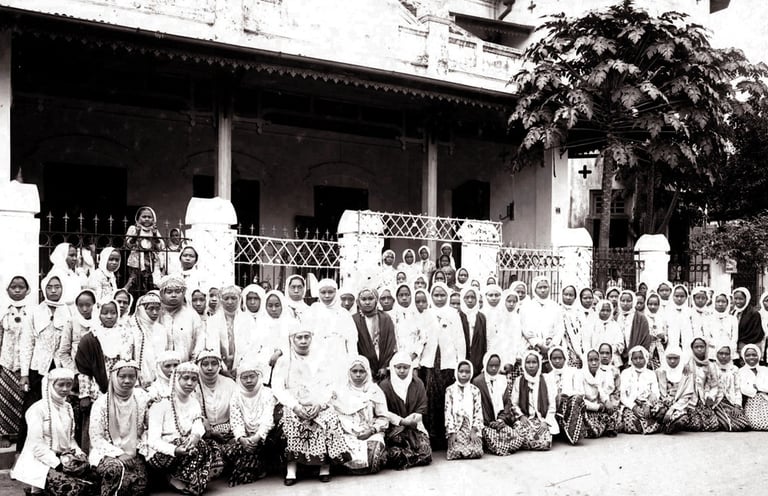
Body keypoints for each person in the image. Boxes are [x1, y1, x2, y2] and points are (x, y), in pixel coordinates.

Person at [271, 327, 351, 485]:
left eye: (306, 337)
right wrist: (295, 406)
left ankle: (324, 467)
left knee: (329, 418)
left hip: (317, 403)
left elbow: (329, 385)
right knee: (289, 422)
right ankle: (291, 469)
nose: (303, 341)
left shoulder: (321, 359)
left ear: (311, 338)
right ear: (292, 339)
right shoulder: (284, 361)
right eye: (299, 337)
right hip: (293, 404)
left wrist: (320, 404)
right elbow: (278, 387)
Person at [11, 368, 97, 495]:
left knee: (94, 481)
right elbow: (36, 446)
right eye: (60, 385)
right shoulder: (37, 410)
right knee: (73, 488)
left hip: (64, 459)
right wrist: (58, 464)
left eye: (68, 384)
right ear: (50, 385)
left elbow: (70, 438)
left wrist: (79, 453)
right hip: (40, 461)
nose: (65, 389)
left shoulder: (67, 407)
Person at [144, 361, 215, 496]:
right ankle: (169, 477)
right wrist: (174, 450)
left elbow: (198, 423)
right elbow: (153, 441)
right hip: (161, 452)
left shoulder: (193, 401)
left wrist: (195, 435)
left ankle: (183, 478)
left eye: (194, 379)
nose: (190, 383)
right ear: (176, 378)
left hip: (186, 447)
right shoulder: (162, 403)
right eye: (185, 378)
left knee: (209, 449)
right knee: (195, 447)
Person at [19, 274, 71, 451]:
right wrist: (25, 374)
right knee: (32, 410)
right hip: (38, 369)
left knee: (59, 410)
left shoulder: (68, 311)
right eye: (50, 287)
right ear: (44, 289)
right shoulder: (34, 311)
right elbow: (27, 343)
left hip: (61, 369)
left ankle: (56, 451)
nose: (54, 290)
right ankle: (23, 452)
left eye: (57, 286)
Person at [88, 360, 148, 496]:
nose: (127, 381)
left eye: (132, 376)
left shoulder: (141, 397)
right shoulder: (101, 403)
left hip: (133, 449)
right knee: (115, 470)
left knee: (138, 487)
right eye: (122, 376)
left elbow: (149, 425)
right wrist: (118, 453)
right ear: (115, 377)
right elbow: (96, 438)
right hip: (106, 451)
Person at [420, 283, 465, 449]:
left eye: (442, 295)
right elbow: (422, 336)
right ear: (431, 296)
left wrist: (460, 361)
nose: (439, 298)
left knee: (446, 397)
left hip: (448, 362)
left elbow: (459, 338)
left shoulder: (453, 313)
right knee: (431, 398)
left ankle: (448, 435)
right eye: (436, 295)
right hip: (431, 362)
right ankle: (432, 436)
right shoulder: (427, 313)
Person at [331, 355, 389, 474]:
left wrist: (371, 430)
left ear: (367, 372)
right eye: (354, 371)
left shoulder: (374, 390)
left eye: (361, 371)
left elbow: (383, 418)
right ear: (349, 372)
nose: (358, 375)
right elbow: (332, 414)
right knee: (335, 451)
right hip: (345, 433)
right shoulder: (340, 391)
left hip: (369, 433)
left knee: (373, 457)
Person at [224, 359, 276, 486]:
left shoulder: (267, 393)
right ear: (239, 379)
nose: (248, 381)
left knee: (265, 448)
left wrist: (256, 437)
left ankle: (257, 466)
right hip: (245, 438)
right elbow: (236, 420)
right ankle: (251, 468)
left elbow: (267, 420)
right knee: (231, 449)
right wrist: (242, 438)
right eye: (244, 377)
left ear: (258, 376)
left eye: (252, 376)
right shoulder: (236, 396)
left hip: (264, 436)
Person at [379, 352, 432, 470]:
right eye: (398, 367)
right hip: (393, 428)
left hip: (414, 425)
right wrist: (401, 421)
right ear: (393, 368)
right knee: (395, 454)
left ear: (410, 368)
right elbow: (382, 411)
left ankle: (407, 458)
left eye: (405, 367)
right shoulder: (385, 385)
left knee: (426, 452)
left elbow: (422, 407)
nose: (402, 371)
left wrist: (411, 419)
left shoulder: (418, 383)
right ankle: (408, 458)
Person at [0, 275, 33, 448]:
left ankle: (20, 434)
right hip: (6, 362)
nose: (18, 290)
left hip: (24, 364)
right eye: (14, 287)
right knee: (5, 399)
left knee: (23, 399)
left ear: (28, 290)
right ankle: (4, 433)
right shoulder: (3, 312)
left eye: (21, 287)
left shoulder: (32, 311)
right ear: (7, 290)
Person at [194, 348, 236, 481]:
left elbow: (237, 410)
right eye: (205, 364)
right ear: (198, 366)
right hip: (204, 432)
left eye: (214, 363)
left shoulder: (229, 383)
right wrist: (209, 431)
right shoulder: (193, 384)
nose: (210, 368)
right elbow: (193, 413)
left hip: (229, 429)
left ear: (219, 365)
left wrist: (232, 429)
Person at [305, 279, 357, 385]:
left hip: (338, 356)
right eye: (323, 292)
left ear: (336, 292)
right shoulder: (313, 311)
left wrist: (353, 361)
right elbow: (305, 335)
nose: (327, 296)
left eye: (330, 292)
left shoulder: (343, 314)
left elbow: (351, 340)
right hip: (317, 356)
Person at [473, 352, 521, 455]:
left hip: (500, 421)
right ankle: (500, 447)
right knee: (494, 440)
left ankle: (503, 446)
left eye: (496, 365)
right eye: (491, 365)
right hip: (486, 423)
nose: (494, 368)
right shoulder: (478, 381)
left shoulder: (502, 380)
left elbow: (507, 403)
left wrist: (501, 419)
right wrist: (489, 423)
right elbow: (478, 406)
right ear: (485, 364)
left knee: (517, 439)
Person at [508, 350, 558, 450]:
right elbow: (514, 403)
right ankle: (528, 441)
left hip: (541, 419)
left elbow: (552, 404)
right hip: (526, 419)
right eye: (528, 362)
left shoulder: (546, 379)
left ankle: (530, 442)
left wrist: (546, 422)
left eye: (534, 362)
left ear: (539, 364)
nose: (531, 365)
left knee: (545, 443)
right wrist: (521, 416)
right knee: (518, 436)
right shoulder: (519, 380)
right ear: (524, 364)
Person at [353, 288, 398, 383]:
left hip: (384, 368)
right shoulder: (354, 320)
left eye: (370, 298)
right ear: (358, 301)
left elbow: (391, 343)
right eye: (364, 299)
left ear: (376, 300)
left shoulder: (385, 318)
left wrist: (385, 365)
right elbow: (354, 346)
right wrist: (365, 366)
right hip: (362, 369)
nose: (367, 302)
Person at [157, 275, 205, 362]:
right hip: (159, 368)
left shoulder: (191, 315)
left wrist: (193, 362)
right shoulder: (156, 314)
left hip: (186, 368)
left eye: (178, 291)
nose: (174, 295)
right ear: (162, 294)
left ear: (183, 293)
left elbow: (200, 340)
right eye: (169, 292)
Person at [444, 359, 483, 460]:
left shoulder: (475, 390)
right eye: (461, 371)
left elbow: (478, 412)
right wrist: (452, 432)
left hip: (470, 427)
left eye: (467, 372)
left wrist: (474, 431)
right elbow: (448, 412)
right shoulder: (450, 390)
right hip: (457, 428)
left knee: (477, 452)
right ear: (456, 372)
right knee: (454, 452)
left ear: (471, 373)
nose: (464, 374)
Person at [546, 346, 585, 444]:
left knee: (575, 400)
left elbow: (580, 392)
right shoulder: (547, 376)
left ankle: (572, 434)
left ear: (565, 359)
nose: (557, 361)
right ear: (550, 360)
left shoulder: (573, 372)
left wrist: (566, 395)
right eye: (554, 359)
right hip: (554, 407)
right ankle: (564, 431)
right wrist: (556, 398)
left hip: (571, 404)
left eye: (560, 358)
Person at [618, 346, 661, 434]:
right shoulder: (625, 373)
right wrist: (633, 407)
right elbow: (622, 395)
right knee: (629, 424)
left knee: (659, 411)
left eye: (641, 358)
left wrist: (648, 404)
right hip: (631, 404)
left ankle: (647, 424)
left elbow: (656, 392)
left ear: (645, 358)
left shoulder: (651, 374)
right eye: (635, 358)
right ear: (631, 359)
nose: (638, 360)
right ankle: (645, 426)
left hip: (647, 404)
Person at [578, 349, 619, 438]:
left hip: (598, 407)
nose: (594, 363)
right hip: (586, 408)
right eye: (591, 360)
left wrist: (606, 401)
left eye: (596, 360)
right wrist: (597, 407)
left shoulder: (600, 374)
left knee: (614, 411)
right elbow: (580, 400)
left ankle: (605, 428)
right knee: (593, 429)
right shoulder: (580, 375)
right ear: (586, 361)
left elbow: (602, 392)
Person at [519, 277, 561, 363]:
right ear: (534, 289)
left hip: (552, 349)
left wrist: (553, 343)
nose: (543, 290)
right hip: (532, 348)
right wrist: (539, 344)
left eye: (545, 287)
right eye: (540, 287)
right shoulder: (527, 307)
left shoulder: (555, 306)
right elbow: (525, 329)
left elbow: (560, 328)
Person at [125, 206, 165, 293]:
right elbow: (128, 245)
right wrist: (137, 233)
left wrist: (154, 235)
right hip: (136, 262)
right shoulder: (133, 228)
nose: (147, 219)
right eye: (144, 217)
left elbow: (161, 247)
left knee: (149, 285)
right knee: (136, 285)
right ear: (138, 218)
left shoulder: (154, 230)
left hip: (151, 263)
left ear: (153, 219)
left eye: (149, 217)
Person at [130, 291, 166, 388]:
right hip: (136, 381)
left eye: (157, 309)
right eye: (151, 309)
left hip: (158, 383)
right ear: (141, 310)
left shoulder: (161, 330)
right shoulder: (132, 328)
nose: (155, 312)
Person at [712, 342, 750, 431]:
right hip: (716, 403)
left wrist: (737, 406)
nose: (724, 356)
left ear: (730, 355)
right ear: (716, 354)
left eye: (726, 354)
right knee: (729, 424)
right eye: (721, 353)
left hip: (730, 401)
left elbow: (737, 389)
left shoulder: (734, 369)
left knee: (743, 424)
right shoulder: (712, 368)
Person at [204, 285, 241, 371]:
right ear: (221, 299)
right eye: (226, 298)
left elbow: (250, 347)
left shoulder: (247, 319)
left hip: (243, 368)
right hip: (220, 367)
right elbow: (211, 345)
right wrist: (221, 367)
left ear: (239, 299)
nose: (230, 302)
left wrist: (240, 368)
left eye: (233, 298)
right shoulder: (213, 320)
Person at [616, 289, 652, 366]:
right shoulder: (616, 317)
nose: (625, 303)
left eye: (629, 301)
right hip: (619, 358)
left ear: (633, 302)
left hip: (636, 358)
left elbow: (645, 339)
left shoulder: (641, 318)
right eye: (623, 300)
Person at [738, 344, 768, 430]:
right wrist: (758, 389)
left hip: (766, 398)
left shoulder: (765, 369)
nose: (751, 357)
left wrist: (758, 387)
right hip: (752, 401)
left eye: (754, 355)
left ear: (758, 355)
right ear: (744, 357)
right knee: (755, 424)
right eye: (748, 355)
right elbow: (743, 388)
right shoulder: (741, 371)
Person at [459, 287, 487, 376]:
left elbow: (484, 341)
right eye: (467, 297)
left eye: (473, 297)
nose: (470, 300)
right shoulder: (458, 316)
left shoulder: (481, 317)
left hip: (477, 359)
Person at [732, 287, 765, 362]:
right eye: (735, 298)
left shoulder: (754, 314)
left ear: (747, 299)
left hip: (748, 347)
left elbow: (755, 334)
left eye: (741, 299)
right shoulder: (734, 312)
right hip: (735, 346)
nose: (738, 301)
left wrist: (741, 344)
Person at [589, 301, 623, 367]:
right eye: (603, 310)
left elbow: (620, 343)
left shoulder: (615, 325)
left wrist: (609, 350)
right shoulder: (593, 325)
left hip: (613, 358)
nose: (605, 313)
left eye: (608, 310)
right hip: (596, 358)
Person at [560, 285, 586, 368]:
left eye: (571, 295)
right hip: (564, 346)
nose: (568, 297)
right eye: (566, 294)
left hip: (579, 348)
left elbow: (584, 331)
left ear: (575, 297)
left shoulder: (579, 312)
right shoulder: (558, 310)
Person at [644, 291, 667, 369]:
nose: (653, 307)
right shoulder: (643, 318)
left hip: (659, 348)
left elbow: (667, 335)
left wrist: (663, 337)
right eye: (650, 304)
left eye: (655, 304)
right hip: (647, 348)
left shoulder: (662, 318)